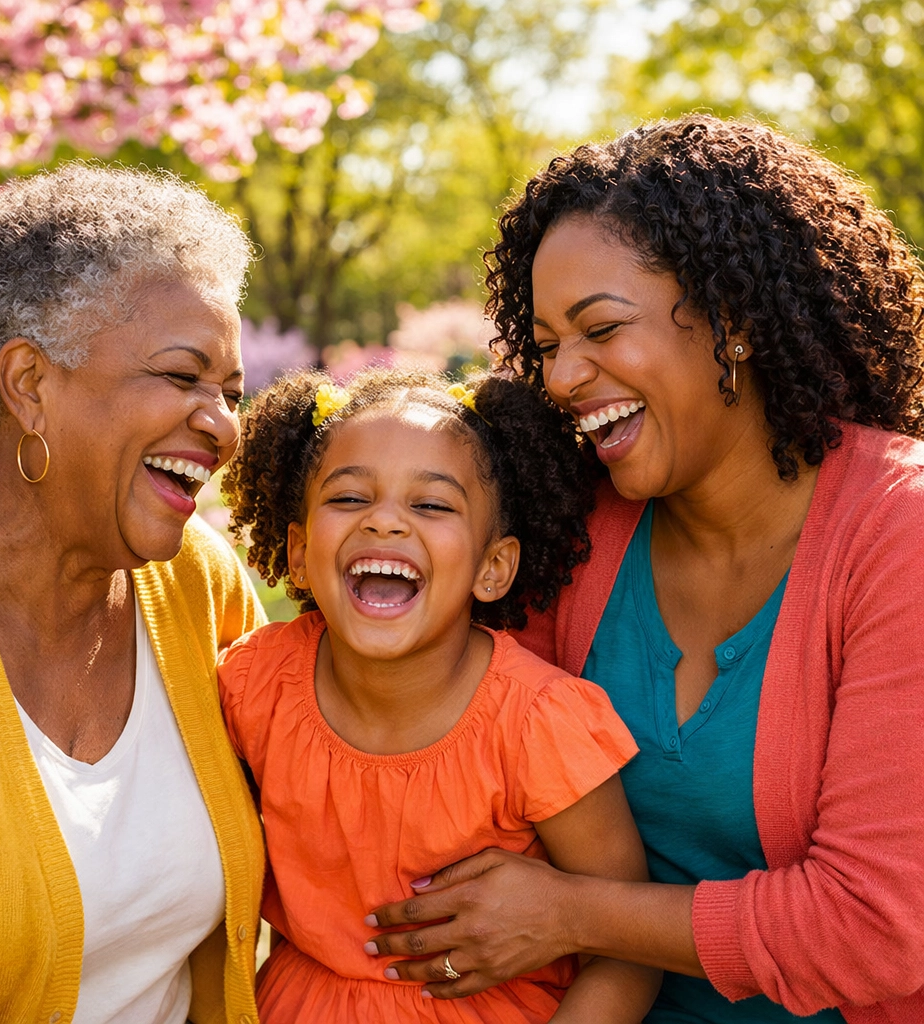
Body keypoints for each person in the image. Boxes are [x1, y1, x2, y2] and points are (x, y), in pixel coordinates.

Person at [361, 116, 924, 1023]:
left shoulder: (899, 536)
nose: (564, 376)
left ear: (734, 321)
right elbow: (462, 764)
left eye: (601, 329)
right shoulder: (578, 526)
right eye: (546, 345)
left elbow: (871, 927)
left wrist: (576, 914)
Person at [0, 164, 267, 1024]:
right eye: (183, 378)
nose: (222, 423)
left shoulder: (196, 582)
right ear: (29, 383)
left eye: (231, 392)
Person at [216, 368, 662, 1022]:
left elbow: (624, 949)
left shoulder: (540, 723)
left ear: (493, 567)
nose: (385, 522)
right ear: (301, 551)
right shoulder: (254, 687)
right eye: (349, 498)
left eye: (431, 505)